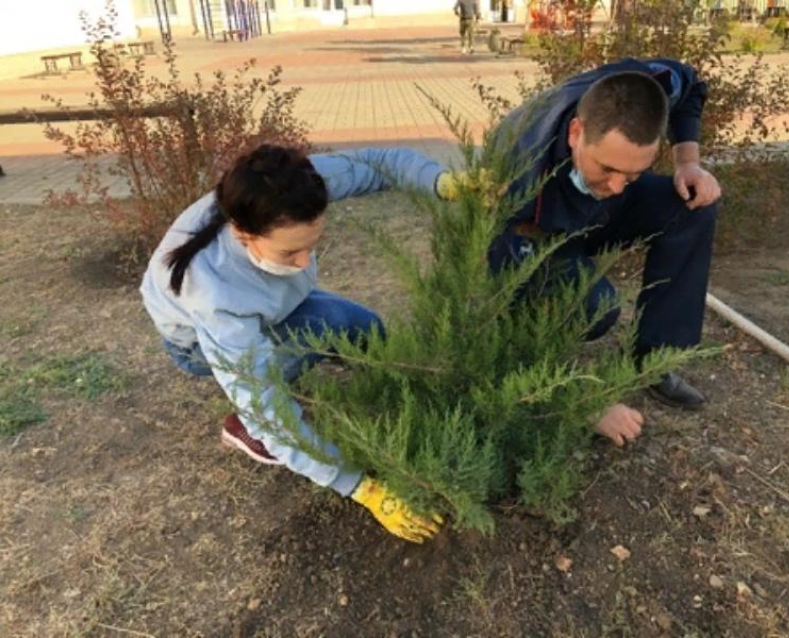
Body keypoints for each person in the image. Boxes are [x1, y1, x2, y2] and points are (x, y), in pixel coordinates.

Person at [141, 145, 465, 543]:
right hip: (193, 345)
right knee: (303, 353)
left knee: (366, 329)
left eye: (311, 245)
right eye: (290, 251)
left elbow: (374, 164)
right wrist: (361, 487)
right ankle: (246, 429)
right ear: (244, 233)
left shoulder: (290, 189)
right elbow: (267, 404)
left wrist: (440, 181)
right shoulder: (215, 295)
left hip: (270, 304)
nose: (303, 262)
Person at [489, 59, 722, 441]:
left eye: (631, 173)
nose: (617, 184)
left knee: (694, 204)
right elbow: (504, 309)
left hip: (597, 214)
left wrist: (688, 163)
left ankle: (653, 358)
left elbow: (693, 84)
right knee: (596, 307)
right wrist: (581, 399)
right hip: (544, 227)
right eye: (607, 168)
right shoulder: (517, 175)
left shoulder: (654, 85)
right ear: (576, 133)